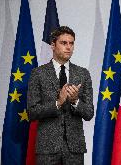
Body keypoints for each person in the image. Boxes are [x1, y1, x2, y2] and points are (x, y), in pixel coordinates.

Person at [27, 26, 94, 164]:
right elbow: (32, 112)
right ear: (53, 45)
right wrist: (58, 102)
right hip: (47, 149)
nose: (68, 47)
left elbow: (89, 113)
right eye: (64, 43)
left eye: (71, 43)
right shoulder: (38, 74)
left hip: (75, 149)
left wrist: (75, 101)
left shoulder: (83, 74)